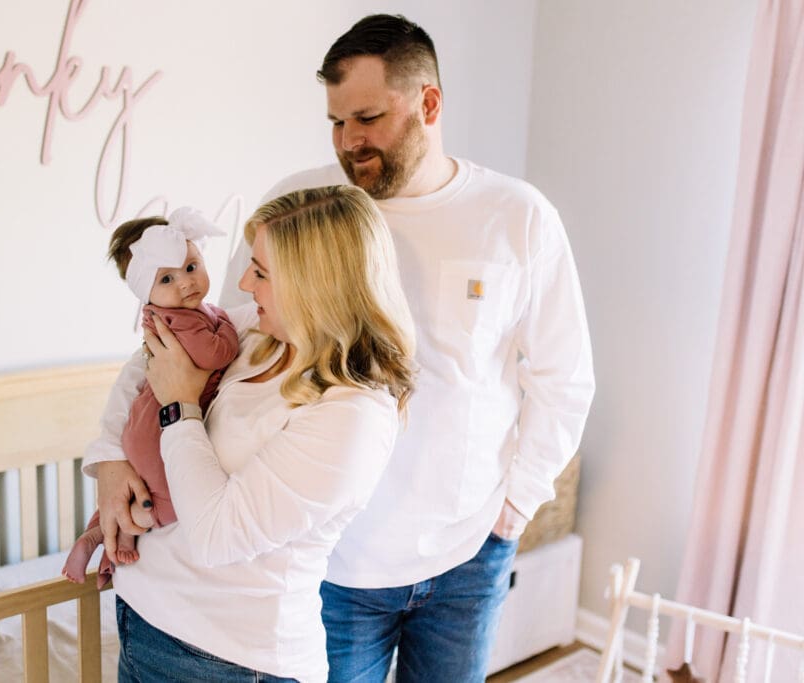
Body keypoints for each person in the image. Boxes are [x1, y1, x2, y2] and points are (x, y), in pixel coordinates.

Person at [218, 14, 596, 683]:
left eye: (367, 118)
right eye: (336, 123)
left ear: (429, 102)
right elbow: (234, 344)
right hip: (333, 560)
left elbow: (565, 377)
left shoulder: (517, 217)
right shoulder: (300, 210)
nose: (349, 143)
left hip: (465, 555)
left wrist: (515, 508)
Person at [83, 185, 417, 682]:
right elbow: (149, 356)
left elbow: (217, 537)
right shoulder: (258, 332)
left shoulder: (352, 415)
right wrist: (110, 459)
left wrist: (181, 405)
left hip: (227, 659)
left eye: (260, 272)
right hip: (144, 617)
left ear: (314, 285)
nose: (241, 281)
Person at [62, 206, 239, 587]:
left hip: (148, 425)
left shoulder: (180, 315)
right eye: (167, 278)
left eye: (192, 267)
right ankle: (115, 533)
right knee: (169, 504)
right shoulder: (178, 320)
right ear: (147, 291)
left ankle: (101, 535)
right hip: (157, 430)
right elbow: (216, 354)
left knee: (140, 490)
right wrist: (228, 325)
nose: (186, 283)